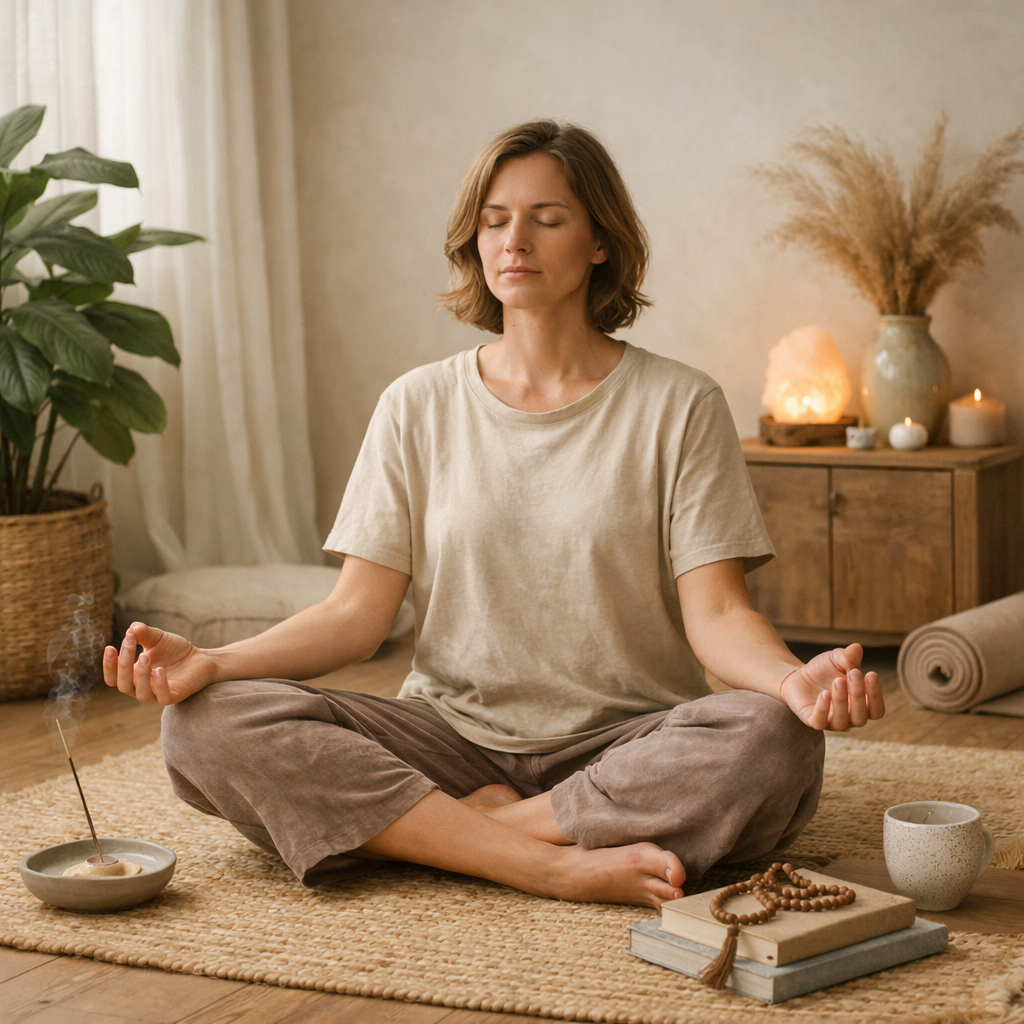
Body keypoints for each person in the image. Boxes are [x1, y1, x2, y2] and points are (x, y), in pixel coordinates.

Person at [104, 120, 884, 909]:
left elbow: (717, 614)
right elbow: (354, 616)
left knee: (773, 736)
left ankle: (461, 833)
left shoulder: (681, 405)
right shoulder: (416, 404)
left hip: (626, 744)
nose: (516, 239)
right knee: (202, 724)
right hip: (445, 739)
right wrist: (217, 662)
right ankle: (543, 860)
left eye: (548, 219)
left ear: (601, 242)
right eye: (494, 219)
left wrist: (795, 682)